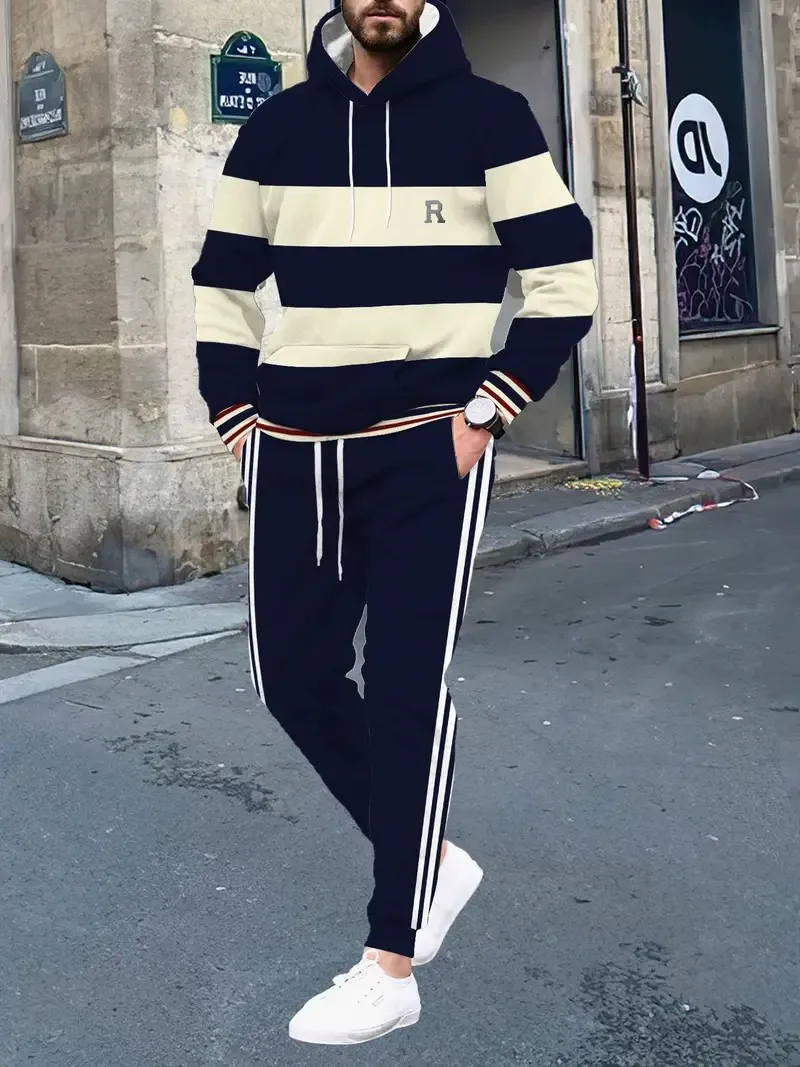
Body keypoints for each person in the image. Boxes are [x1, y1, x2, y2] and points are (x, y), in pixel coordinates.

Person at [192, 0, 597, 1045]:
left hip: (427, 442)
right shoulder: (277, 126)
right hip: (292, 447)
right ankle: (433, 861)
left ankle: (391, 962)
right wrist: (236, 418)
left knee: (406, 684)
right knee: (291, 677)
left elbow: (563, 279)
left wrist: (486, 412)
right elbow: (223, 285)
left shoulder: (491, 116)